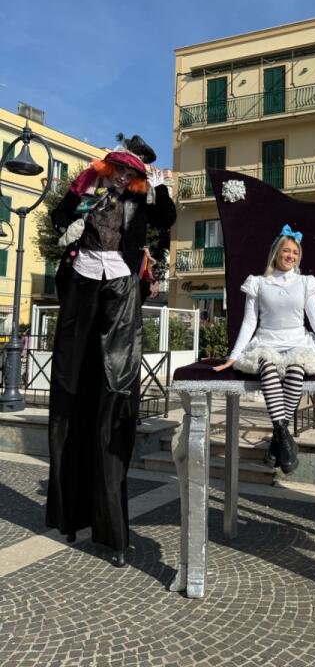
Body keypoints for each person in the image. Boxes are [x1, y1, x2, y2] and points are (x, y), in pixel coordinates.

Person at [46, 135, 176, 567]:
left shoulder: (139, 202)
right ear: (106, 170)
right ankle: (69, 514)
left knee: (114, 395)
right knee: (71, 390)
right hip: (81, 283)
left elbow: (167, 219)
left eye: (128, 173)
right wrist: (78, 193)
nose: (121, 178)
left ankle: (112, 531)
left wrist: (159, 187)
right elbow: (58, 217)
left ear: (135, 178)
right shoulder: (89, 195)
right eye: (116, 170)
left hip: (120, 288)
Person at [214, 225, 315, 473]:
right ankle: (285, 437)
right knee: (267, 366)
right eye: (286, 251)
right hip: (266, 342)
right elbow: (249, 322)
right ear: (276, 252)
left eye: (295, 252)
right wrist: (234, 356)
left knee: (296, 368)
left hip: (298, 343)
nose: (291, 255)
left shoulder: (305, 282)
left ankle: (277, 440)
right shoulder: (258, 283)